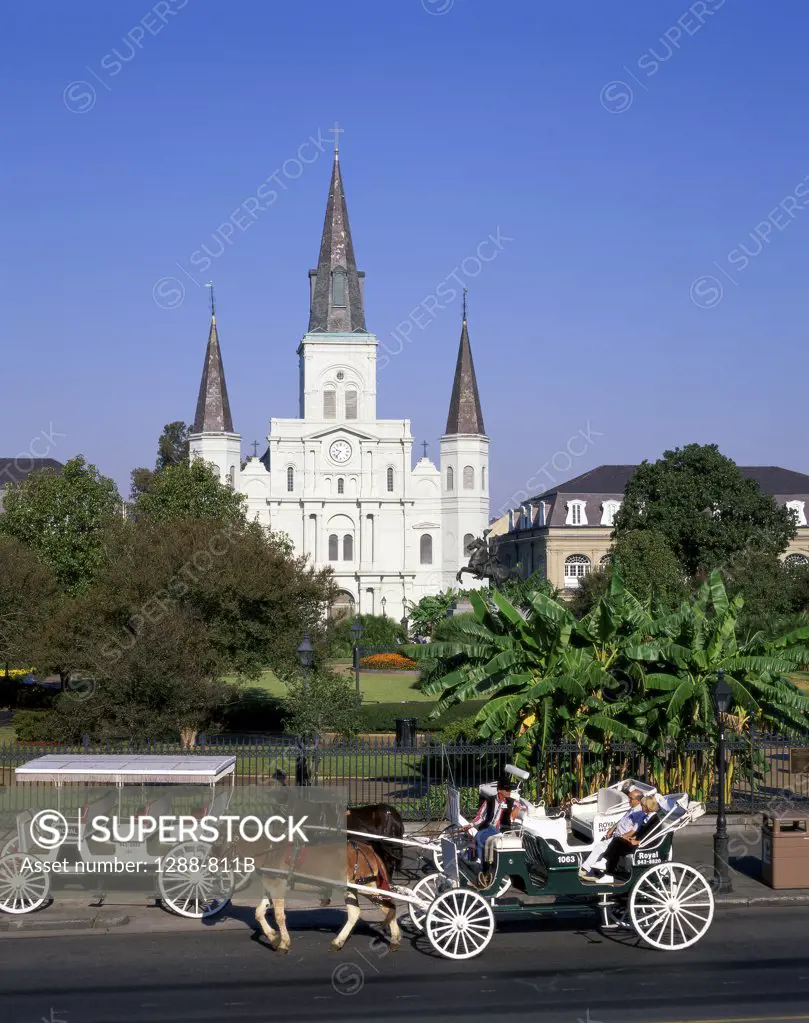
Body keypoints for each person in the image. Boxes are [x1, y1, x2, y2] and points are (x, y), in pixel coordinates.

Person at [578, 788, 646, 881]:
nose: (628, 800)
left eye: (630, 798)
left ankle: (585, 869)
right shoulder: (632, 809)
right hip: (617, 836)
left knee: (601, 847)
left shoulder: (640, 813)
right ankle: (589, 868)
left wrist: (622, 837)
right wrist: (612, 828)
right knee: (600, 845)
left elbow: (634, 831)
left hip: (622, 839)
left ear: (638, 801)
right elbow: (622, 820)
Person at [462, 776, 520, 866]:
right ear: (499, 790)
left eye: (510, 789)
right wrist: (470, 825)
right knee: (476, 835)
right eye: (507, 789)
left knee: (479, 836)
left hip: (502, 829)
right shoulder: (489, 801)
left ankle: (482, 863)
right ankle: (478, 858)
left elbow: (520, 806)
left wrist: (516, 808)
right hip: (489, 828)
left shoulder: (511, 801)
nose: (509, 792)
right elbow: (480, 816)